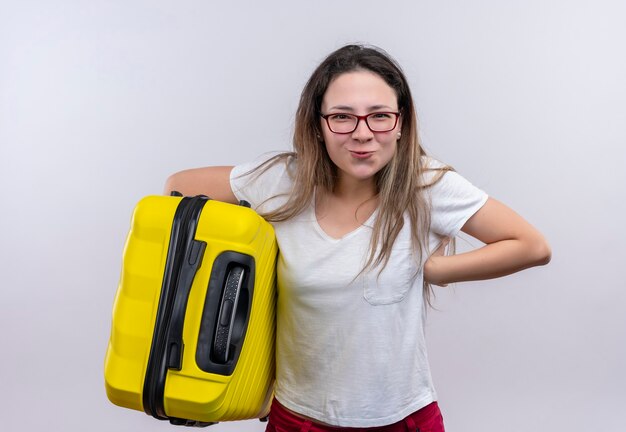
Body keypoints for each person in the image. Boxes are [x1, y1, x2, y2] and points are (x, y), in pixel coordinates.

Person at [164, 44, 551, 432]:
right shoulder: (282, 180)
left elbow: (531, 246)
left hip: (403, 420)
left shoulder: (425, 184)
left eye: (380, 116)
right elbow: (178, 188)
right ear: (318, 124)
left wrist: (433, 268)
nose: (362, 134)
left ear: (401, 123)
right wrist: (251, 375)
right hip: (298, 419)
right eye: (342, 117)